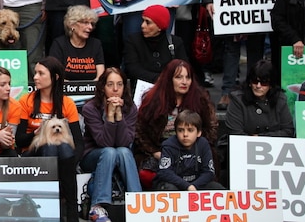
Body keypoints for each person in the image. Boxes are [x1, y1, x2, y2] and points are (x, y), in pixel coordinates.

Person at [134, 60, 217, 189]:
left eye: (187, 77)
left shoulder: (201, 99)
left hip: (193, 150)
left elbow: (210, 129)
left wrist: (196, 149)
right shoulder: (153, 100)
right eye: (179, 77)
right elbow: (140, 131)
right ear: (169, 79)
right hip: (161, 150)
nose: (184, 82)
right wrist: (154, 151)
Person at [17, 57, 81, 222]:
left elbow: (78, 143)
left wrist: (72, 162)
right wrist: (37, 133)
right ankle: (59, 206)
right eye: (35, 73)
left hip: (63, 159)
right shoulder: (26, 100)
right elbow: (20, 141)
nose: (36, 77)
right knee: (52, 147)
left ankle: (68, 210)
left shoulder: (67, 103)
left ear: (55, 77)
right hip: (33, 155)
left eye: (41, 73)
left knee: (65, 148)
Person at [80, 68, 141, 222]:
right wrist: (109, 116)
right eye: (110, 85)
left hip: (119, 153)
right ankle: (97, 207)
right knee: (109, 152)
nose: (115, 89)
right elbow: (103, 142)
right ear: (102, 87)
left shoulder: (131, 107)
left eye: (119, 85)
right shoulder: (90, 108)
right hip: (92, 155)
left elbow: (125, 142)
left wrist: (119, 116)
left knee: (124, 152)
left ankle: (138, 202)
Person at [219, 59, 294, 156]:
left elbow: (288, 131)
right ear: (249, 82)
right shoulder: (237, 100)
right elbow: (235, 134)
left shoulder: (280, 99)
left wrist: (259, 138)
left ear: (271, 85)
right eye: (255, 81)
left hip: (275, 153)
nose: (258, 86)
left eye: (264, 82)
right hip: (242, 152)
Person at [153, 110, 225, 191]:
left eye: (190, 130)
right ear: (175, 132)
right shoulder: (168, 145)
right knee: (168, 188)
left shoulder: (203, 144)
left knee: (216, 187)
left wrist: (194, 186)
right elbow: (164, 172)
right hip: (175, 183)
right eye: (180, 130)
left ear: (198, 133)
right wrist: (187, 186)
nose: (185, 134)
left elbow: (209, 172)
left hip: (196, 184)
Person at [123, 4, 188, 86]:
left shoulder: (175, 42)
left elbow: (184, 67)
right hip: (143, 87)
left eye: (148, 22)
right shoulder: (133, 41)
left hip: (169, 88)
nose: (142, 25)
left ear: (159, 27)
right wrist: (159, 79)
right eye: (143, 21)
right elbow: (132, 69)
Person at [49, 5, 105, 81]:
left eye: (91, 23)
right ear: (72, 24)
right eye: (85, 23)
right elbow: (55, 74)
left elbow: (100, 76)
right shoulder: (59, 44)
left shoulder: (96, 44)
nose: (90, 27)